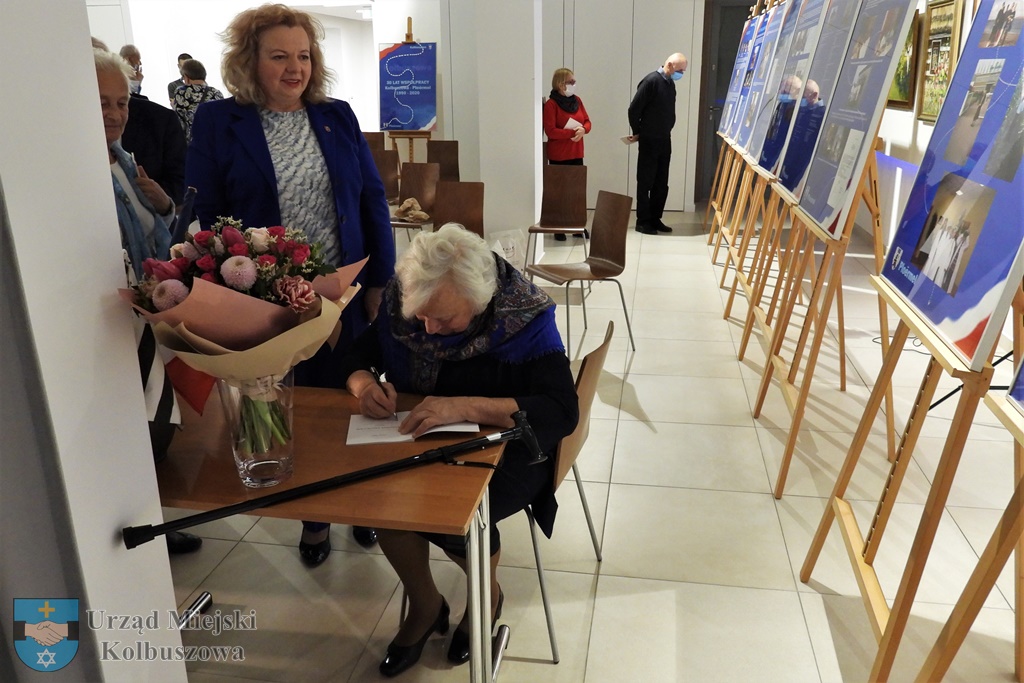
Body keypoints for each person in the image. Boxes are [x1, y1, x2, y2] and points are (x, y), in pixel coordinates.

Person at [185, 3, 396, 566]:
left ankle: (358, 502)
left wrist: (380, 281)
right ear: (249, 61)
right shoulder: (218, 122)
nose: (295, 67)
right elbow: (209, 216)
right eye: (279, 56)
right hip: (267, 300)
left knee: (350, 398)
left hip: (343, 292)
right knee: (287, 405)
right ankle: (313, 516)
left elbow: (371, 199)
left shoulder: (337, 116)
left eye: (303, 55)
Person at [339, 224, 578, 677]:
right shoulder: (405, 300)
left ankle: (487, 596)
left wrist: (464, 406)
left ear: (481, 299)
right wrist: (364, 385)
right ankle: (425, 604)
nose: (428, 330)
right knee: (378, 501)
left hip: (509, 450)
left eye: (445, 320)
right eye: (421, 317)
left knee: (454, 513)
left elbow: (561, 410)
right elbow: (353, 357)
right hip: (422, 441)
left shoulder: (524, 316)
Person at [94, 48, 201, 555]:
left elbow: (155, 234)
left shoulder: (122, 159)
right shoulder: (72, 171)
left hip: (147, 310)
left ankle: (149, 523)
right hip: (110, 322)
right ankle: (136, 531)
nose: (115, 113)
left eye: (121, 102)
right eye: (101, 102)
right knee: (134, 427)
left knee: (155, 425)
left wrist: (163, 204)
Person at [627, 52, 688, 235]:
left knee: (661, 182)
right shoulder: (651, 82)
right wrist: (638, 131)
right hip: (649, 139)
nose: (682, 74)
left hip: (664, 139)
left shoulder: (670, 84)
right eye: (680, 70)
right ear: (669, 65)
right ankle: (643, 221)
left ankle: (655, 218)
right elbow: (634, 109)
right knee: (645, 181)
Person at [543, 67, 592, 240]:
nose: (574, 84)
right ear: (560, 84)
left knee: (576, 192)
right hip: (559, 155)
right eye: (571, 82)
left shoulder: (577, 100)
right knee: (559, 193)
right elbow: (551, 131)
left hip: (576, 152)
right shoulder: (551, 104)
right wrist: (572, 132)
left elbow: (587, 121)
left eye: (574, 81)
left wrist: (583, 129)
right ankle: (558, 228)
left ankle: (577, 226)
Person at [172, 59, 224, 142]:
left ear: (186, 77)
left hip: (194, 143)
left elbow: (180, 123)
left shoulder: (181, 92)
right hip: (215, 141)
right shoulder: (216, 92)